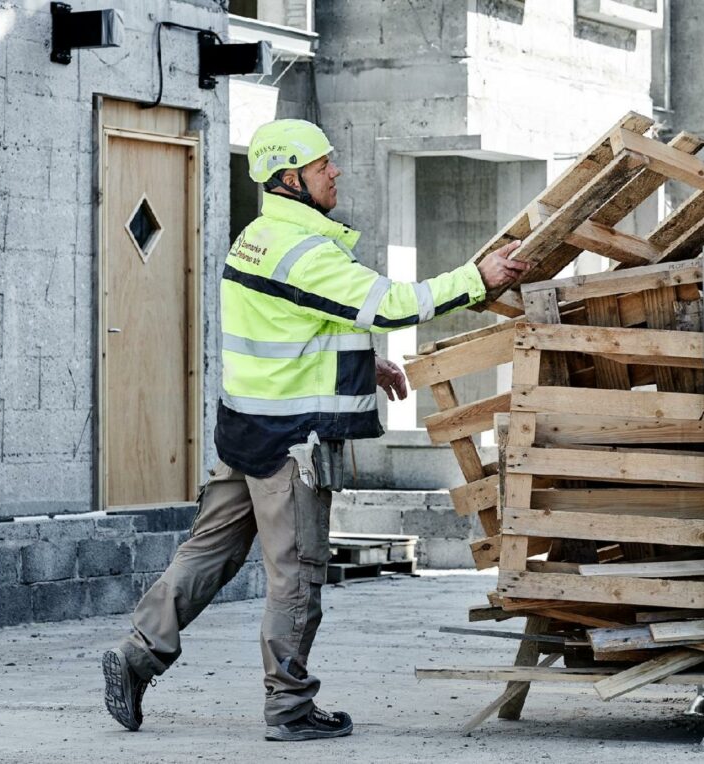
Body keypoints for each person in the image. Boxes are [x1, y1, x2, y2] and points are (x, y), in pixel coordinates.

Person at [102, 119, 529, 742]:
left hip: (245, 432)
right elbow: (387, 303)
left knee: (208, 555)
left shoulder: (260, 237)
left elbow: (297, 324)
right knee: (297, 577)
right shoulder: (303, 250)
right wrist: (476, 279)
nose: (336, 171)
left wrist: (362, 361)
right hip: (288, 446)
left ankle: (136, 652)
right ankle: (289, 708)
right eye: (323, 164)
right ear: (289, 179)